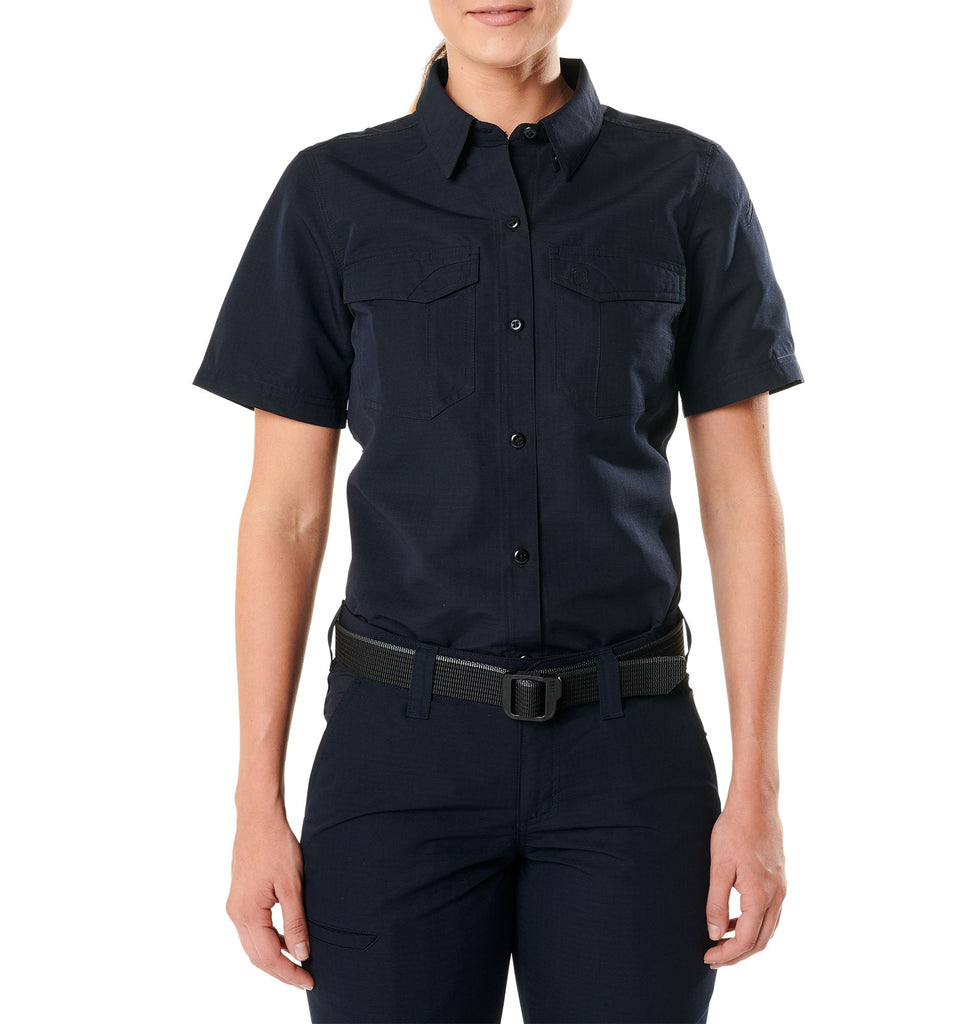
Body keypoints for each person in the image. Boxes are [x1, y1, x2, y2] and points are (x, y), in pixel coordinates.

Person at [193, 2, 803, 1021]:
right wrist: (256, 802)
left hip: (629, 761)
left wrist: (758, 791)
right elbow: (284, 516)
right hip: (396, 762)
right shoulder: (330, 194)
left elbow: (741, 503)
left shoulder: (688, 185)